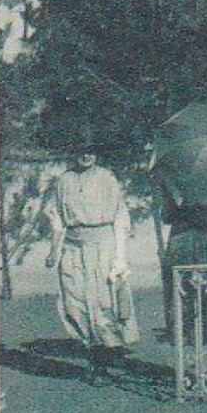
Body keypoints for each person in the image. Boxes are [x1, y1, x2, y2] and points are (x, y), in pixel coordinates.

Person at [45, 141, 139, 384]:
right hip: (73, 249)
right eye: (81, 149)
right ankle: (95, 354)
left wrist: (119, 257)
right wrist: (54, 251)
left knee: (103, 305)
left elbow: (120, 217)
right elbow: (57, 218)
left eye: (91, 150)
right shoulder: (64, 181)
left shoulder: (107, 178)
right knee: (74, 304)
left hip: (103, 247)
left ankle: (101, 364)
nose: (86, 154)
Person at [159, 186, 207, 335]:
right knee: (203, 284)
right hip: (199, 239)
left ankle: (188, 331)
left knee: (189, 285)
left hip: (186, 239)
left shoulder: (173, 182)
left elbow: (167, 216)